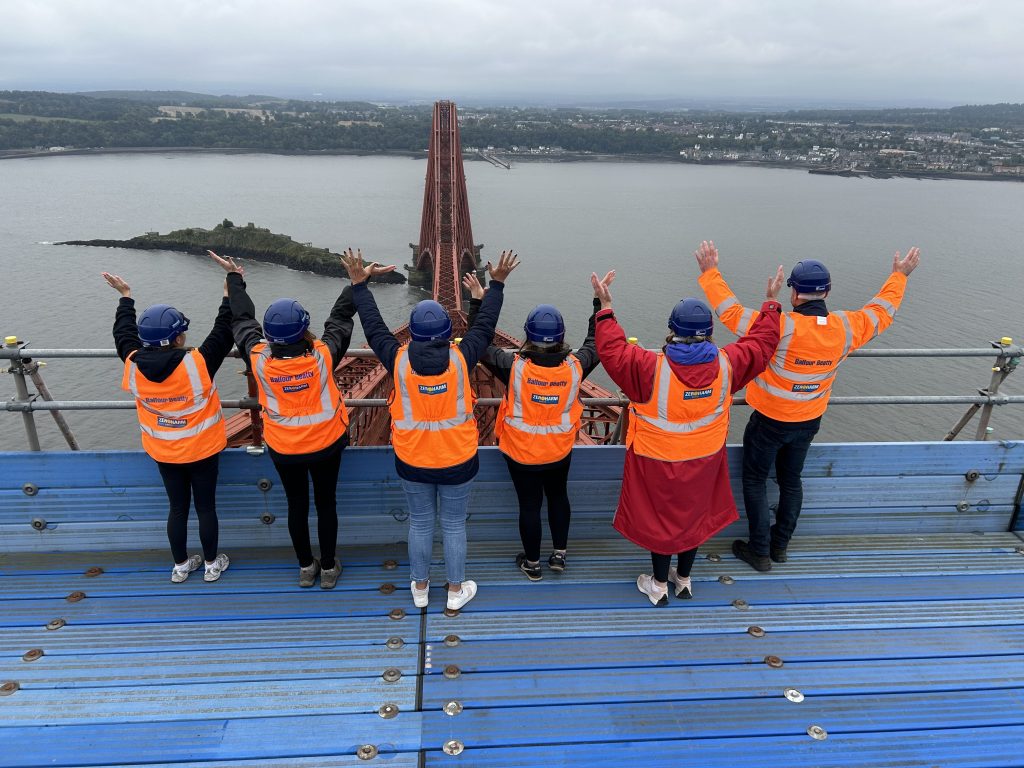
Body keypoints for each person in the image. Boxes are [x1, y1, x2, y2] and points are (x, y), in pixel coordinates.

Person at [697, 241, 921, 571]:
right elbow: (881, 312)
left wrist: (710, 273)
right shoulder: (846, 327)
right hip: (809, 421)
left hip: (769, 421)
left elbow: (729, 312)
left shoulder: (779, 325)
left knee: (756, 481)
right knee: (791, 481)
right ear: (827, 292)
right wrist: (899, 276)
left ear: (794, 294)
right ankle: (781, 546)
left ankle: (759, 551)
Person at [592, 261, 782, 606]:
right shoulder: (728, 364)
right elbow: (763, 344)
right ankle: (684, 579)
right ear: (709, 331)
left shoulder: (649, 368)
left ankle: (659, 584)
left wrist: (605, 309)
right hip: (705, 458)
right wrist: (770, 303)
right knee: (693, 517)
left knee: (659, 521)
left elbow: (612, 351)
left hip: (656, 460)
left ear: (671, 329)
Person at [341, 248, 519, 611]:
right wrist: (495, 285)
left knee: (420, 524)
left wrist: (360, 286)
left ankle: (420, 589)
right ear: (446, 332)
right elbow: (484, 328)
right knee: (454, 525)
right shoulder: (461, 358)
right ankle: (455, 592)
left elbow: (373, 327)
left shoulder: (398, 360)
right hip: (458, 460)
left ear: (415, 334)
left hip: (412, 460)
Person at [216, 250, 378, 589]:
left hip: (284, 448)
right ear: (305, 328)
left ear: (271, 336)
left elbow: (243, 323)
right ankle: (330, 567)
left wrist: (235, 280)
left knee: (296, 504)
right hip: (326, 444)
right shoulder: (321, 357)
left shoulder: (260, 360)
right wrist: (356, 283)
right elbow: (339, 320)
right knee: (326, 502)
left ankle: (306, 566)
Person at [462, 271, 602, 581]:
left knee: (529, 505)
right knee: (558, 497)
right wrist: (599, 303)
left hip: (521, 453)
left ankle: (533, 563)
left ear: (527, 334)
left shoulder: (514, 369)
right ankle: (560, 556)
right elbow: (596, 343)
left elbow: (479, 341)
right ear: (562, 335)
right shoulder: (575, 368)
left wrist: (477, 302)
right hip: (559, 450)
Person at [102, 263, 235, 583]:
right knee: (205, 508)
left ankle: (179, 566)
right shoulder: (197, 363)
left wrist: (125, 297)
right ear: (178, 337)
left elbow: (123, 335)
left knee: (177, 509)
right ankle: (211, 565)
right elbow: (224, 330)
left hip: (164, 450)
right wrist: (230, 292)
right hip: (202, 450)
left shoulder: (133, 362)